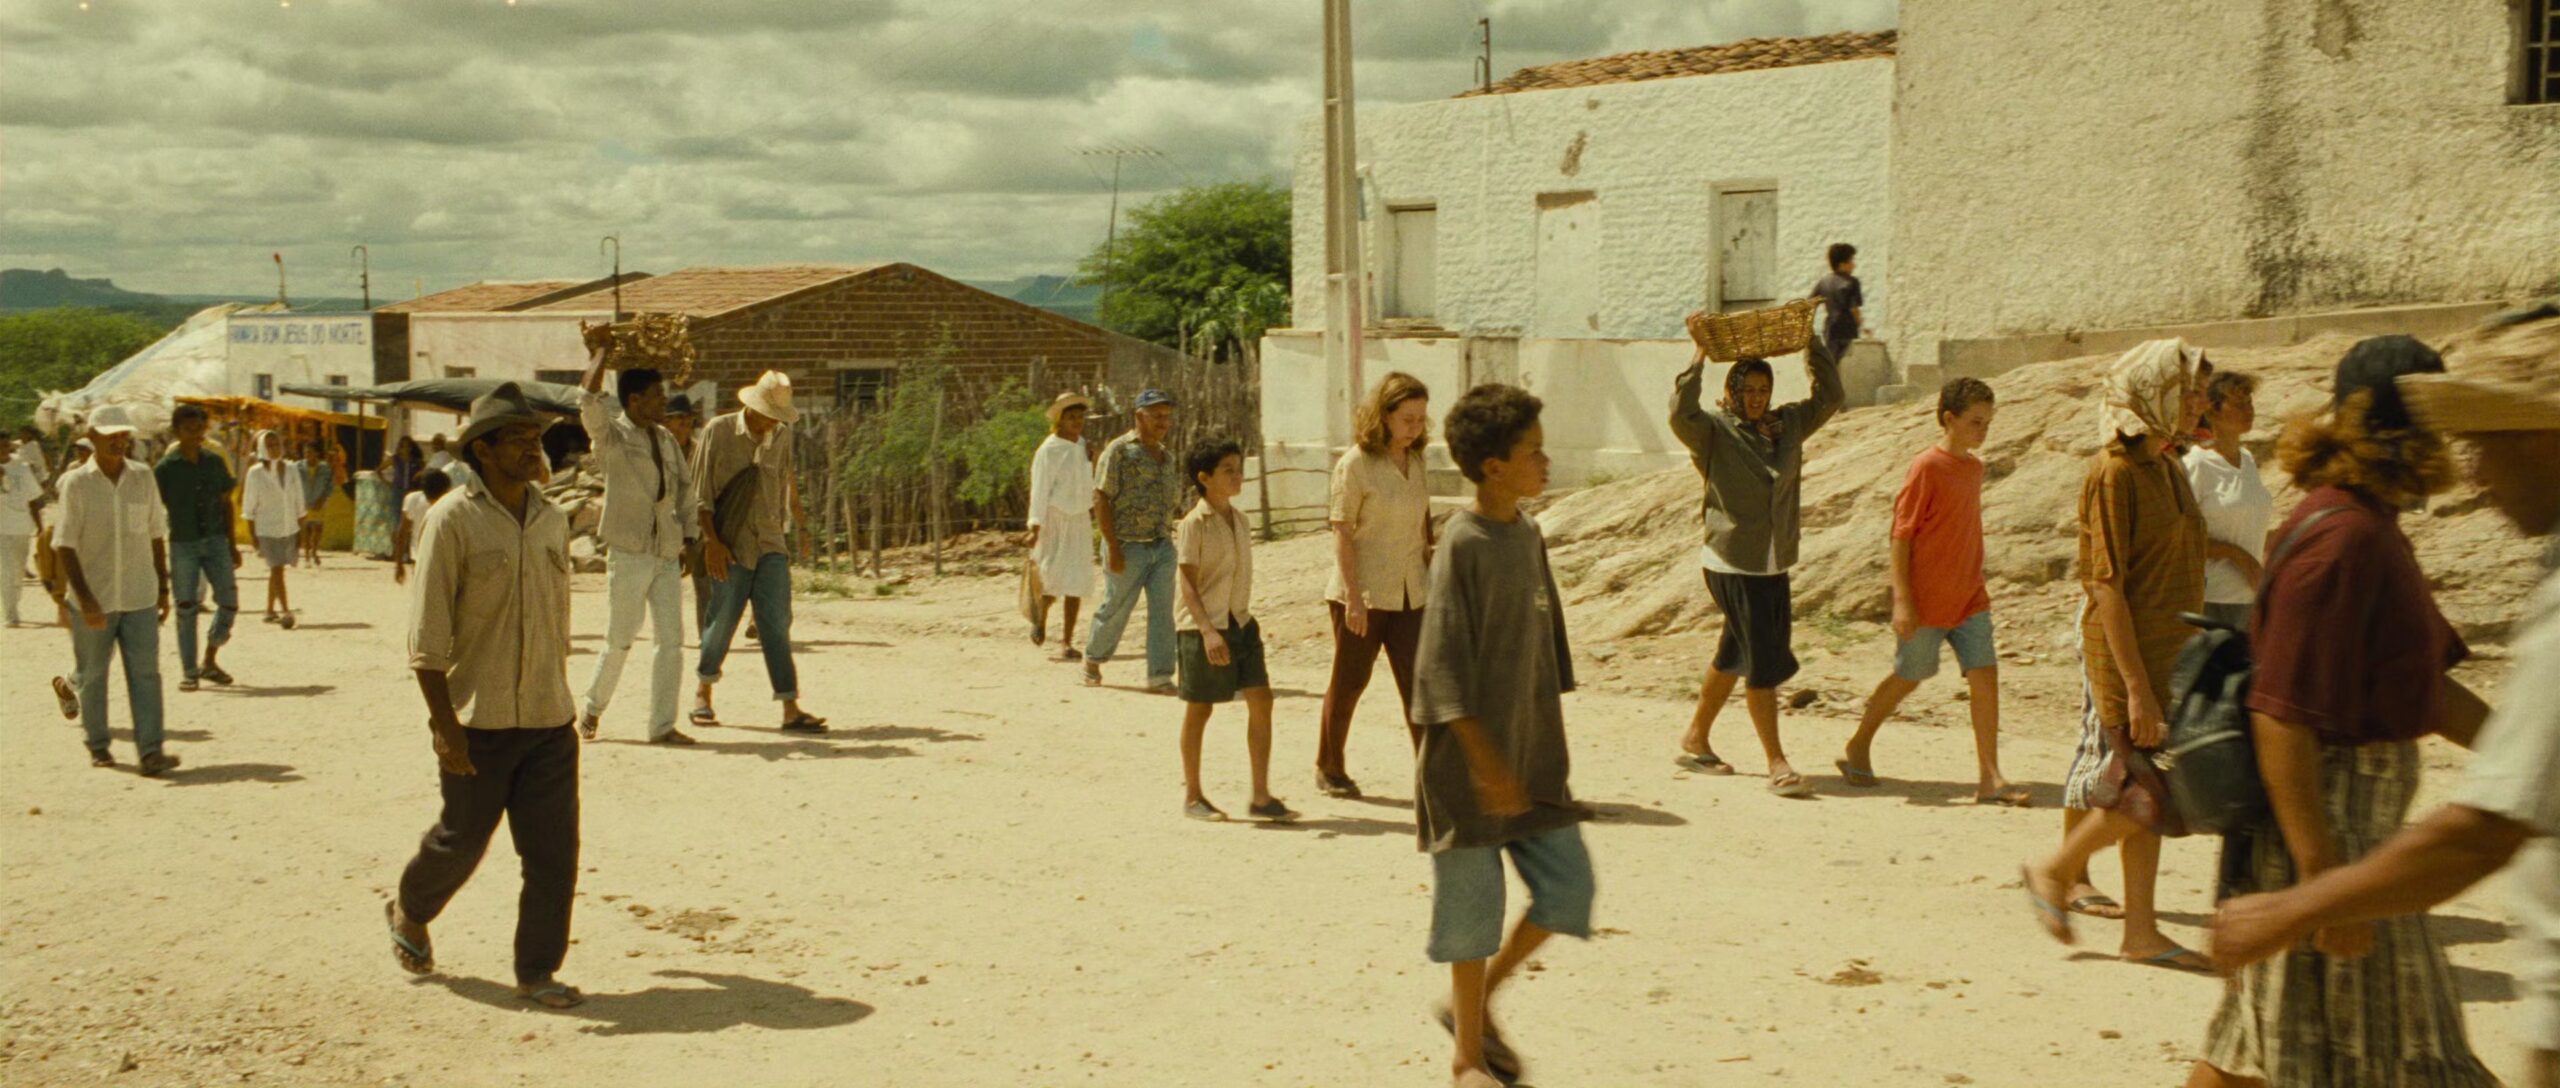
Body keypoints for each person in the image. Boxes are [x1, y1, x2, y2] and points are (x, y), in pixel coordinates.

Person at [2212, 313, 2560, 1088]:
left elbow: (2424, 689)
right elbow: (2279, 711)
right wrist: (2318, 880)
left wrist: (2533, 763)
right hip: (2338, 840)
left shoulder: (2368, 528)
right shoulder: (2345, 538)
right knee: (2408, 1056)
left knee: (2258, 1046)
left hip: (2347, 848)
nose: (2469, 464)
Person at [1413, 384, 1593, 1088]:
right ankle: (1466, 1058)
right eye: (1533, 452)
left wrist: (1541, 739)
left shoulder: (1528, 534)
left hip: (1533, 761)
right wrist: (1485, 762)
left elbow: (1547, 647)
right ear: (1494, 467)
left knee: (1569, 890)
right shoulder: (1461, 544)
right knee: (1472, 914)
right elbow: (1438, 669)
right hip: (1466, 772)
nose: (1546, 462)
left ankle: (1477, 1004)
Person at [384, 383, 584, 1009]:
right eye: (518, 440)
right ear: (484, 451)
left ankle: (537, 970)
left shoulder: (552, 518)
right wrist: (444, 725)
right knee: (461, 841)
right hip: (480, 720)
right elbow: (427, 637)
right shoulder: (451, 521)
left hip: (549, 718)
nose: (532, 449)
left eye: (534, 439)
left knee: (553, 855)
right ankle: (410, 907)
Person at [2023, 338, 2212, 971]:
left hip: (2172, 654)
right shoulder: (2113, 472)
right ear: (2154, 392)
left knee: (2148, 790)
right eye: (2189, 392)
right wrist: (2136, 688)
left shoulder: (2168, 464)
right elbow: (2104, 584)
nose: (2200, 403)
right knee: (2149, 790)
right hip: (2130, 658)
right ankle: (2057, 869)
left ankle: (2140, 932)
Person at [1667, 329, 1846, 797]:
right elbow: (1680, 413)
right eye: (1746, 389)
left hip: (1772, 560)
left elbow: (1830, 397)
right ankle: (1777, 764)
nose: (1755, 398)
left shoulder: (1787, 425)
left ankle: (1695, 737)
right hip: (1731, 561)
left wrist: (1812, 344)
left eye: (1763, 389)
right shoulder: (1714, 431)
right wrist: (1700, 355)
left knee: (1735, 651)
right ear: (1731, 392)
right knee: (1763, 660)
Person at [1837, 378, 2031, 806]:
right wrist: (1902, 600)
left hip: (1970, 596)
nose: (1983, 430)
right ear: (1949, 419)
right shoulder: (1926, 467)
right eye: (1975, 421)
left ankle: (1990, 777)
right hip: (1926, 601)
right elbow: (1901, 535)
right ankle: (1859, 742)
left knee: (1985, 676)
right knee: (1911, 675)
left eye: (1988, 422)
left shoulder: (1974, 468)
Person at [1313, 373, 1433, 799]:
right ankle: (1330, 767)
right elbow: (1342, 531)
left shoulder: (1417, 462)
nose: (1415, 427)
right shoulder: (1356, 464)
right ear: (1384, 415)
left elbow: (1422, 525)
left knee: (1420, 685)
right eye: (1407, 419)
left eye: (1421, 419)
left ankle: (1432, 775)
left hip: (1412, 591)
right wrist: (1353, 597)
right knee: (1350, 682)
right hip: (1362, 593)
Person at [691, 370, 827, 733]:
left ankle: (790, 707)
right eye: (767, 415)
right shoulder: (718, 431)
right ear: (751, 407)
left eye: (776, 418)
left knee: (776, 625)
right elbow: (700, 493)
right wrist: (711, 542)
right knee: (721, 620)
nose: (770, 423)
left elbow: (783, 484)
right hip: (729, 544)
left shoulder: (781, 436)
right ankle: (703, 693)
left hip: (770, 543)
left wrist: (794, 529)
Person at [576, 352, 699, 747]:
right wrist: (599, 353)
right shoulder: (612, 436)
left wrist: (690, 538)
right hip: (629, 551)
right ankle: (593, 707)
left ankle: (662, 726)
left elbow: (684, 490)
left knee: (671, 641)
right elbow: (587, 399)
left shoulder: (665, 440)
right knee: (621, 638)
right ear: (634, 400)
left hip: (665, 551)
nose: (663, 401)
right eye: (656, 395)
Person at [1171, 436, 1295, 823]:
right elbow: (1187, 582)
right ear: (1204, 478)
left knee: (1262, 699)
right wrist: (1207, 631)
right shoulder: (1194, 525)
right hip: (1203, 627)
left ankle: (1261, 796)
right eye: (1228, 470)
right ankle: (1193, 795)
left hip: (1240, 622)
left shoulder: (1240, 521)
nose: (1238, 476)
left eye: (1238, 469)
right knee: (1200, 708)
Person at [55, 406, 178, 776]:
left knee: (146, 674)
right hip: (94, 598)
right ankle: (97, 743)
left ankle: (151, 752)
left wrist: (163, 587)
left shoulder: (142, 477)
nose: (118, 441)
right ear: (91, 437)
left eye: (123, 434)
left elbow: (155, 534)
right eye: (110, 435)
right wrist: (85, 598)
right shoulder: (77, 483)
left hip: (140, 594)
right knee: (93, 673)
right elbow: (64, 545)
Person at [1083, 389, 1186, 693]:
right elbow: (1101, 497)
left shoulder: (1167, 457)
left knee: (1163, 613)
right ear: (1139, 416)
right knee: (1116, 606)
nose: (1163, 422)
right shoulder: (1119, 451)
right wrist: (1112, 547)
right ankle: (1093, 659)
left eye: (1167, 416)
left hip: (1161, 546)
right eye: (1157, 416)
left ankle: (1160, 675)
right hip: (1127, 546)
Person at [154, 403, 242, 691]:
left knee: (229, 601)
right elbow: (153, 509)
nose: (195, 434)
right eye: (189, 429)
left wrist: (232, 544)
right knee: (186, 608)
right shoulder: (165, 469)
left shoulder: (214, 462)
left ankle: (210, 657)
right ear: (176, 431)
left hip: (216, 540)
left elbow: (226, 503)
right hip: (184, 543)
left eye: (199, 428)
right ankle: (189, 671)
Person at [2184, 371, 2273, 630]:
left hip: (2249, 597)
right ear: (2211, 410)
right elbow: (2182, 538)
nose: (2249, 410)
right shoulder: (2196, 464)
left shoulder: (2247, 459)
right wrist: (2239, 557)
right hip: (2212, 599)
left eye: (2250, 402)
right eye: (2239, 403)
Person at [1025, 392, 1097, 661]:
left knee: (1076, 581)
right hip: (1055, 518)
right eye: (1071, 417)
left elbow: (1089, 482)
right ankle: (1040, 619)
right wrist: (1035, 525)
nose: (1076, 422)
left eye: (1080, 417)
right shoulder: (1049, 450)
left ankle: (1067, 641)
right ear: (1060, 420)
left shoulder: (1083, 446)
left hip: (1079, 519)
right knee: (1051, 577)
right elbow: (1040, 488)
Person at [241, 430, 305, 629]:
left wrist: (300, 528)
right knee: (277, 568)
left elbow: (299, 500)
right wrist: (253, 536)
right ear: (262, 448)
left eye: (277, 444)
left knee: (277, 569)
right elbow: (249, 507)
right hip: (266, 529)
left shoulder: (292, 469)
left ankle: (269, 609)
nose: (275, 449)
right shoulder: (255, 473)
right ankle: (286, 610)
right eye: (270, 445)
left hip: (288, 527)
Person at [1, 430, 41, 627]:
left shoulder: (22, 468)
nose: (2, 449)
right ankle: (11, 614)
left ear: (9, 446)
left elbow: (33, 498)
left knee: (17, 571)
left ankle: (13, 601)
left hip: (20, 526)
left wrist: (40, 526)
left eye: (4, 445)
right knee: (5, 571)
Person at [1809, 242, 1867, 363]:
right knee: (1847, 364)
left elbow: (1810, 303)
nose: (1854, 265)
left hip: (1830, 328)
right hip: (1848, 329)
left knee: (1831, 363)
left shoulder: (1824, 282)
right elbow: (1854, 309)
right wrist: (1862, 325)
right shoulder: (1852, 282)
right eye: (1851, 261)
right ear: (1842, 264)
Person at [392, 470, 452, 584]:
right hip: (445, 560)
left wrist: (399, 564)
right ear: (447, 488)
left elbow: (402, 532)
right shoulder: (452, 503)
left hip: (419, 557)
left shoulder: (412, 499)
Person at [298, 439, 338, 567]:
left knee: (318, 528)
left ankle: (314, 551)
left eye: (310, 452)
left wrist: (323, 499)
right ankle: (306, 554)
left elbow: (329, 485)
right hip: (304, 501)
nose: (307, 455)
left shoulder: (324, 468)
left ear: (316, 453)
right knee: (306, 528)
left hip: (319, 500)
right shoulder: (299, 467)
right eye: (305, 452)